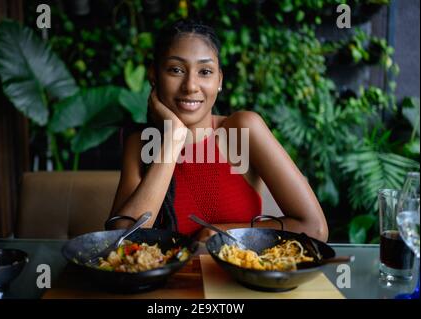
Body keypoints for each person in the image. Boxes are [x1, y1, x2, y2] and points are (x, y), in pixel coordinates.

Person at [108, 20, 328, 242]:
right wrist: (174, 138)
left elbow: (313, 228)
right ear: (154, 76)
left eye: (205, 71)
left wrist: (220, 234)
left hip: (239, 276)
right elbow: (120, 240)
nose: (191, 86)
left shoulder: (242, 129)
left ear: (219, 80)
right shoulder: (141, 143)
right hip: (171, 278)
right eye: (176, 70)